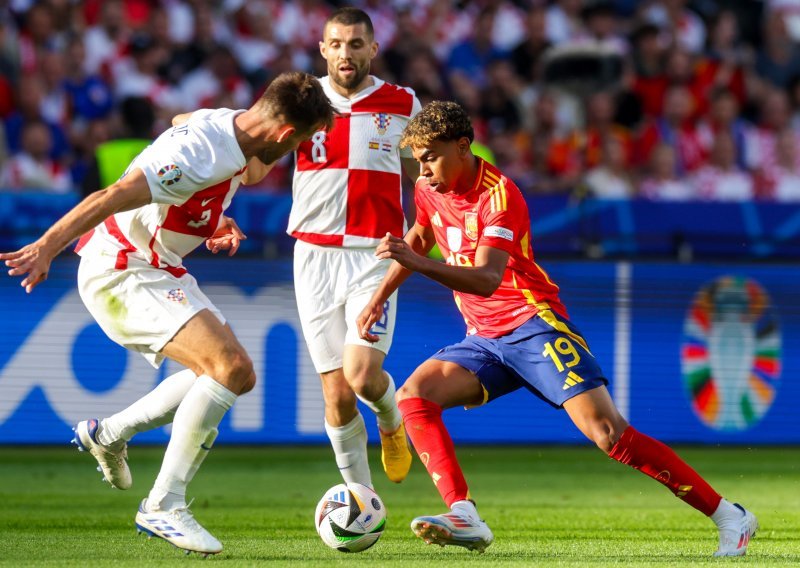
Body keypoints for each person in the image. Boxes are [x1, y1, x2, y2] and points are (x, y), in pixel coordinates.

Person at [356, 101, 758, 556]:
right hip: (484, 338)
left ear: (463, 146)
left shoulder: (500, 195)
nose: (422, 170)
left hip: (532, 326)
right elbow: (422, 237)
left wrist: (415, 264)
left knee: (609, 434)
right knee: (414, 396)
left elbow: (488, 279)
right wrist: (379, 296)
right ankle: (464, 514)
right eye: (419, 159)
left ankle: (730, 516)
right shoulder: (431, 188)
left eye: (430, 156)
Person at [0, 71, 334, 556]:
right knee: (230, 367)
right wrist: (46, 247)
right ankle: (163, 505)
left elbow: (183, 119)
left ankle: (107, 433)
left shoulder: (229, 127)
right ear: (285, 135)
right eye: (301, 141)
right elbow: (110, 195)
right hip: (121, 268)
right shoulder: (198, 153)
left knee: (233, 376)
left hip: (159, 266)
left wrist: (213, 217)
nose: (297, 151)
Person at [287, 7, 420, 489]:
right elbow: (253, 156)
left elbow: (423, 179)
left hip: (376, 255)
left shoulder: (402, 103)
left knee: (363, 377)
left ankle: (390, 420)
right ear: (323, 49)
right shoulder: (299, 101)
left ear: (372, 50)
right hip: (314, 255)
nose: (346, 53)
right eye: (337, 44)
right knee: (338, 394)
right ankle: (362, 501)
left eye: (356, 44)